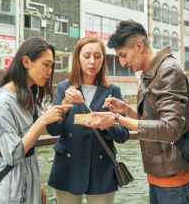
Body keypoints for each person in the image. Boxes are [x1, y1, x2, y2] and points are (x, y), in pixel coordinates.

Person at [85, 20, 189, 204]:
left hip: (175, 176)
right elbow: (154, 121)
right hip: (162, 172)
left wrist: (117, 119)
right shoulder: (149, 73)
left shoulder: (168, 71)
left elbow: (170, 129)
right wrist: (126, 110)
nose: (122, 62)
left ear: (139, 46)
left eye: (123, 55)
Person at [0, 38, 72, 204]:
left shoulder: (28, 95)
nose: (49, 71)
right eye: (46, 64)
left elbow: (29, 150)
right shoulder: (3, 101)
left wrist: (38, 183)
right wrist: (42, 120)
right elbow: (13, 154)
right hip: (7, 183)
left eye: (51, 66)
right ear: (26, 61)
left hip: (30, 176)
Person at [46, 36, 129, 204]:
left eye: (98, 57)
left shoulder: (113, 91)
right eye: (87, 56)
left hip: (102, 168)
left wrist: (107, 125)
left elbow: (123, 135)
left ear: (103, 59)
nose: (92, 61)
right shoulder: (64, 88)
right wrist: (64, 105)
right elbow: (53, 130)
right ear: (78, 58)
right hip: (68, 167)